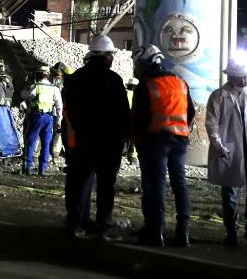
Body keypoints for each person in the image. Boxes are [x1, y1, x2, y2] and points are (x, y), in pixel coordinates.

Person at [65, 34, 130, 240]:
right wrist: (125, 138)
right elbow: (123, 112)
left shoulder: (76, 78)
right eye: (111, 54)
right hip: (109, 142)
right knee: (105, 184)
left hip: (84, 139)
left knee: (79, 181)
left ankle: (76, 222)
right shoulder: (113, 80)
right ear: (105, 56)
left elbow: (70, 111)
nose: (112, 58)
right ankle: (104, 225)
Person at [130, 44, 195, 247]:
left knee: (155, 186)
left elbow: (139, 118)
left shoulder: (146, 85)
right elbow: (190, 112)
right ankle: (183, 233)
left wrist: (136, 141)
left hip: (156, 141)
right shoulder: (180, 82)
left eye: (138, 64)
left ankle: (155, 232)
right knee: (180, 185)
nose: (136, 68)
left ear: (147, 62)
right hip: (180, 141)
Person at [205, 56, 247, 247]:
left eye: (246, 77)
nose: (244, 80)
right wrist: (218, 146)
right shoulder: (219, 96)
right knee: (230, 194)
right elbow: (212, 125)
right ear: (231, 77)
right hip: (230, 152)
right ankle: (232, 232)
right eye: (240, 77)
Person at [22, 66, 62, 176]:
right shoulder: (55, 88)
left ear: (39, 74)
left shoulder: (36, 86)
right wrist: (58, 121)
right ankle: (42, 169)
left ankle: (27, 167)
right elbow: (59, 106)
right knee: (46, 143)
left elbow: (26, 97)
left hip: (36, 116)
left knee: (31, 141)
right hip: (49, 117)